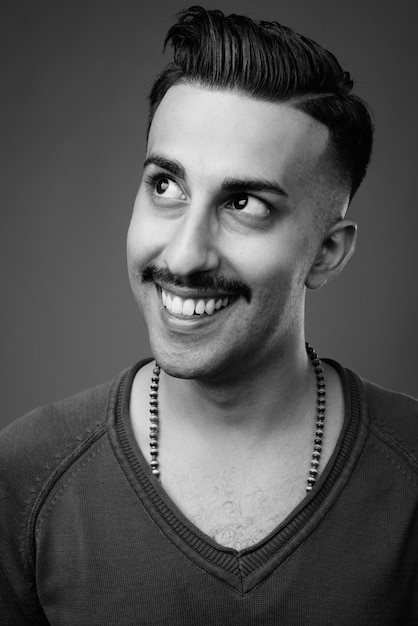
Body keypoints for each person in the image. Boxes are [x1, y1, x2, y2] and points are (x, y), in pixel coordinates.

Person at [1, 6, 417, 624]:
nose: (185, 254)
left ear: (327, 253)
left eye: (244, 202)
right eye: (165, 186)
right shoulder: (27, 473)